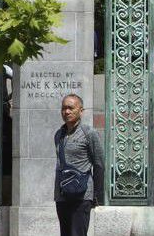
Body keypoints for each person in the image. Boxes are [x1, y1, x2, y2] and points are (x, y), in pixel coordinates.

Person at [54, 94, 104, 236]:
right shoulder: (59, 134)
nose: (67, 112)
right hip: (62, 195)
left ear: (81, 111)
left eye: (71, 108)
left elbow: (99, 164)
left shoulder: (89, 133)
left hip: (82, 195)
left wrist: (96, 193)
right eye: (64, 108)